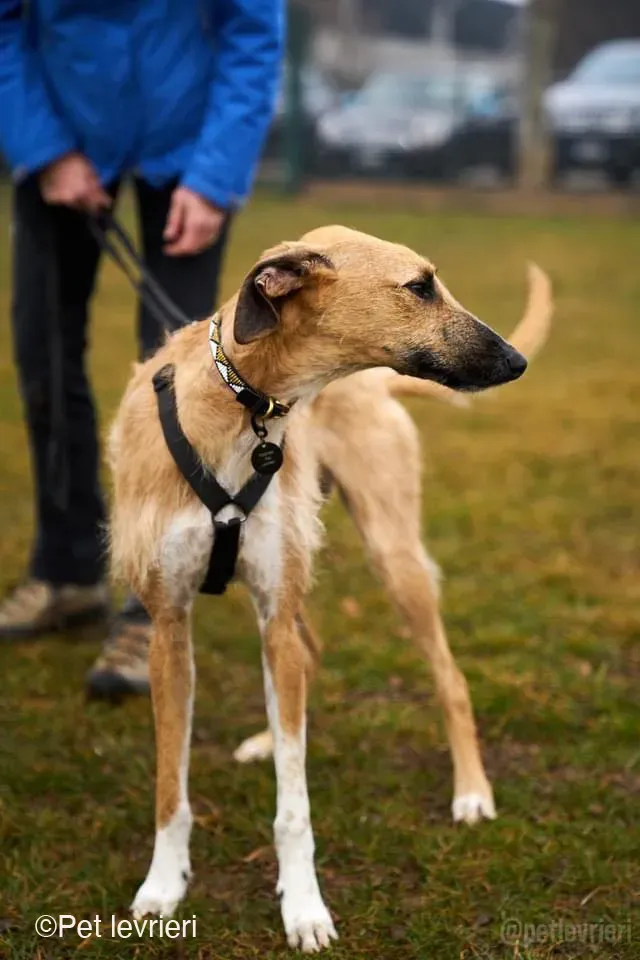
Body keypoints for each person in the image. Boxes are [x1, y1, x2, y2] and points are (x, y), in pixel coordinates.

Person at [0, 0, 284, 699]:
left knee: (182, 387)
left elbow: (253, 32)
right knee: (43, 352)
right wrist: (45, 149)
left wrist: (215, 179)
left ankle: (151, 603)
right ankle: (66, 571)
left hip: (187, 149)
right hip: (59, 133)